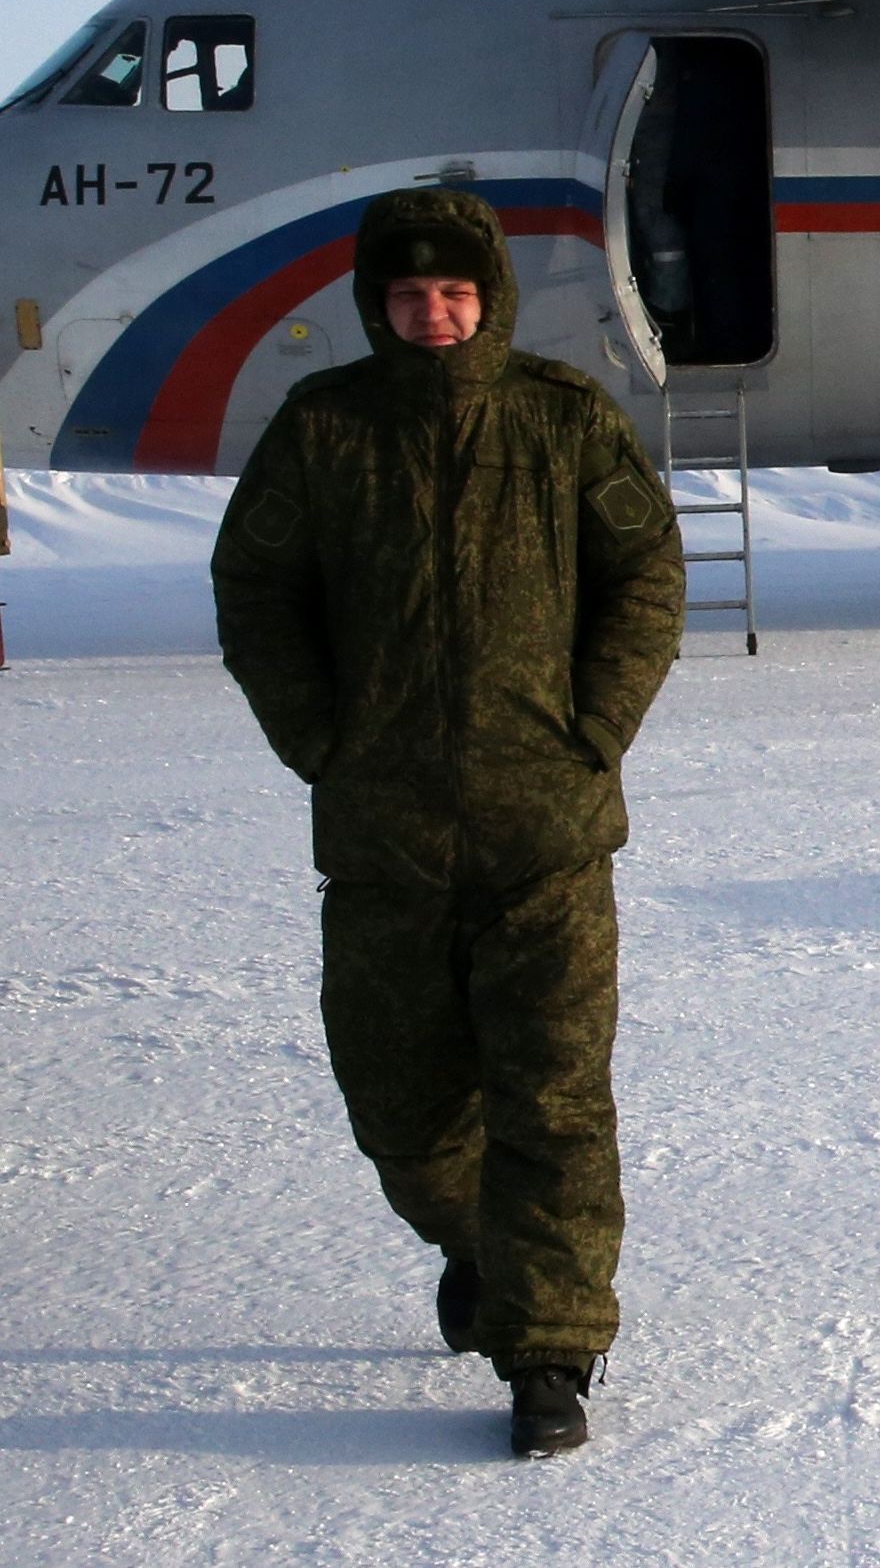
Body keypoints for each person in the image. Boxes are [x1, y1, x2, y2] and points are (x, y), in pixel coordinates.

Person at [211, 187, 682, 1459]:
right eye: (410, 295)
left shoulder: (561, 421)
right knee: (403, 1112)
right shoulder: (325, 434)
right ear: (377, 304)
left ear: (491, 299)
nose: (434, 313)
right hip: (384, 839)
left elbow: (646, 572)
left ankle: (548, 1352)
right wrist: (320, 740)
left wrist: (595, 728)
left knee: (555, 1097)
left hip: (549, 834)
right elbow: (253, 586)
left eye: (456, 293)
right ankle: (483, 1242)